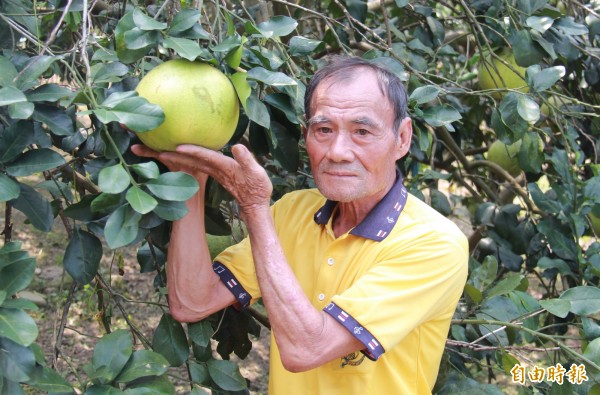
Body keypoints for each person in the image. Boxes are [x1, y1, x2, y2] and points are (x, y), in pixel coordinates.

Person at [131, 56, 469, 395]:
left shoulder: (433, 243)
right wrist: (192, 173)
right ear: (306, 134)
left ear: (402, 138)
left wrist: (254, 207)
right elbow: (192, 301)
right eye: (324, 130)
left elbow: (306, 348)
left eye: (362, 132)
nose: (338, 151)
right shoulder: (294, 211)